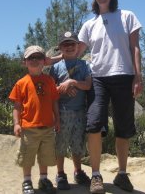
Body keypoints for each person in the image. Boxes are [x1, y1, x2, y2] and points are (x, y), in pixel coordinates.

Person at [77, 0, 143, 193]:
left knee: (123, 128)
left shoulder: (127, 16)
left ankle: (122, 175)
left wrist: (138, 76)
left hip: (124, 76)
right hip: (98, 79)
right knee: (94, 124)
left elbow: (135, 47)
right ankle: (96, 176)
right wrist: (51, 61)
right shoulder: (89, 25)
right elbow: (76, 52)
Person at [9, 45, 60, 194]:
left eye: (38, 57)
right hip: (29, 128)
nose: (35, 60)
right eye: (31, 58)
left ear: (44, 61)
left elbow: (54, 101)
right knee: (27, 156)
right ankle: (27, 181)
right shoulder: (21, 83)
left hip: (48, 127)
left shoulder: (49, 80)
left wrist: (57, 120)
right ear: (25, 62)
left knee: (46, 156)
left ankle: (43, 179)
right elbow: (17, 106)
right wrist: (16, 124)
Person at [49, 31, 92, 190]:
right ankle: (60, 174)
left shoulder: (84, 65)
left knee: (77, 144)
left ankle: (78, 171)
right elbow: (51, 89)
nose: (69, 47)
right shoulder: (55, 67)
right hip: (62, 111)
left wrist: (73, 82)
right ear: (60, 48)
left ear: (78, 46)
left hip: (80, 111)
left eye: (72, 44)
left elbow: (88, 85)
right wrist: (64, 88)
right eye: (65, 44)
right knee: (61, 143)